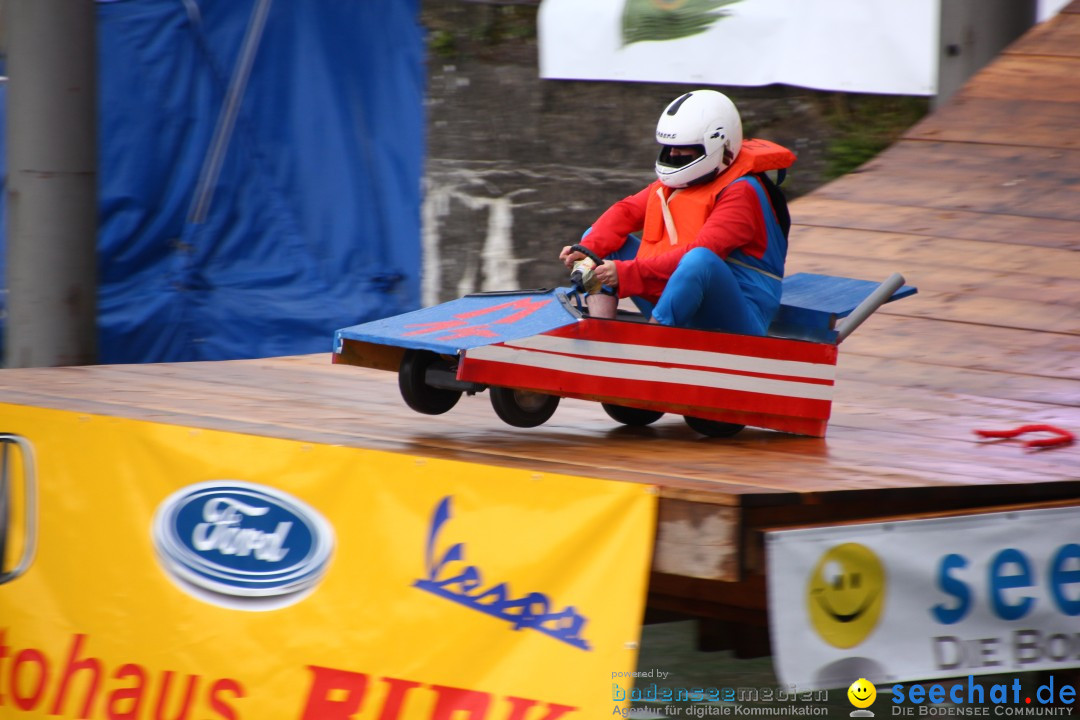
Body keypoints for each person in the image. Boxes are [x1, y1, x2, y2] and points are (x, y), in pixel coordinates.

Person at [559, 89, 796, 336]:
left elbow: (701, 256)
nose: (673, 155)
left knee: (699, 260)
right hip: (680, 297)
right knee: (598, 242)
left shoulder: (742, 193)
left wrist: (625, 273)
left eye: (683, 149)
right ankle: (601, 334)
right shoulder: (683, 181)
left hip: (738, 319)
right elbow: (625, 212)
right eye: (669, 147)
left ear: (717, 144)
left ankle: (654, 345)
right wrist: (586, 249)